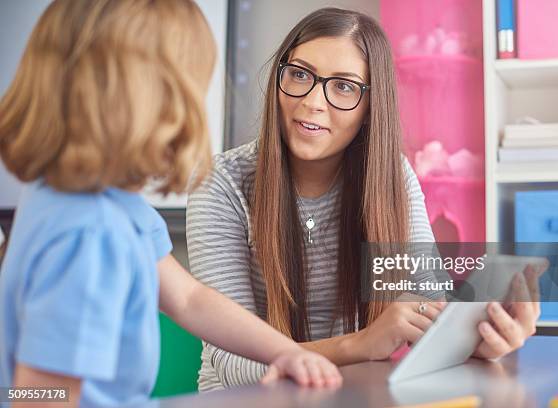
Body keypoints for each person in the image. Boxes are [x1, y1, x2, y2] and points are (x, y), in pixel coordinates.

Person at [0, 1, 341, 406]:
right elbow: (39, 396)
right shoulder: (90, 235)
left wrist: (287, 351)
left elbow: (189, 299)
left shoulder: (98, 203)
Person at [187, 7, 541, 392]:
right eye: (300, 74)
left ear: (371, 107)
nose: (312, 101)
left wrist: (480, 340)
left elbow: (430, 305)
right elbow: (235, 365)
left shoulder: (393, 178)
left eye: (343, 86)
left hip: (352, 395)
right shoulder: (219, 181)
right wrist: (362, 343)